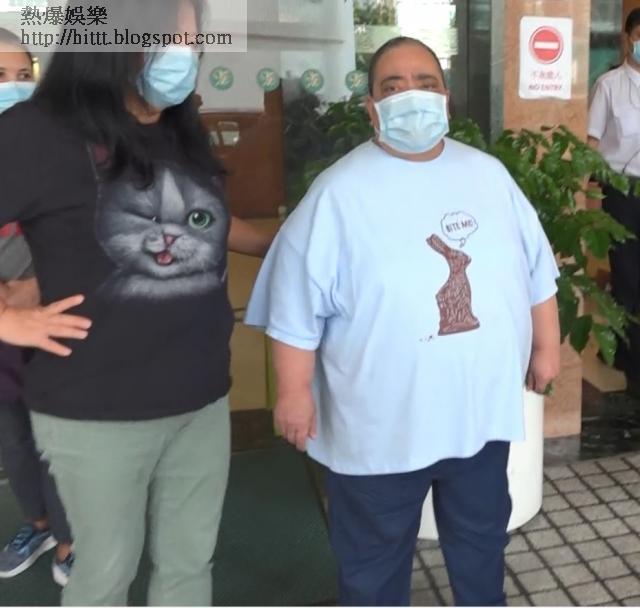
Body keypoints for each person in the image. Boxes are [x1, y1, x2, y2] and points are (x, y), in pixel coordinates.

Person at [245, 37, 561, 607]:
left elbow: (537, 270)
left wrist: (547, 348)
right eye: (392, 87)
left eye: (425, 83)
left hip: (477, 417)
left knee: (481, 543)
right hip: (379, 428)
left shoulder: (488, 176)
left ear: (446, 96)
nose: (410, 96)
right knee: (372, 563)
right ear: (371, 107)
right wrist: (293, 392)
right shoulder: (337, 193)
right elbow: (295, 305)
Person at [0, 0, 271, 603]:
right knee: (104, 575)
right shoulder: (38, 132)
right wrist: (7, 318)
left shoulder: (177, 126)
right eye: (165, 38)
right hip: (96, 411)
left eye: (190, 41)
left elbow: (202, 222)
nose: (182, 56)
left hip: (200, 399)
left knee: (189, 565)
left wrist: (284, 243)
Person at [0, 26, 76, 586]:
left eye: (24, 76)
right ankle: (39, 523)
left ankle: (71, 539)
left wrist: (38, 285)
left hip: (53, 319)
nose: (14, 86)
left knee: (59, 439)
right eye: (0, 76)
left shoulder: (61, 147)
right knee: (13, 439)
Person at [588, 8, 640, 397]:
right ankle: (627, 359)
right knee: (627, 276)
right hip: (621, 190)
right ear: (628, 39)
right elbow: (591, 142)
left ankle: (625, 350)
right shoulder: (609, 85)